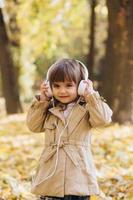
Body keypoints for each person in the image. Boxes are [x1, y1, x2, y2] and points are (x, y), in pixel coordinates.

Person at [26, 58, 113, 200]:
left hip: (78, 177)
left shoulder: (86, 108)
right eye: (57, 86)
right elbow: (33, 126)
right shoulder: (49, 109)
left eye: (69, 85)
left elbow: (103, 119)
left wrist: (91, 95)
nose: (62, 91)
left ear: (81, 86)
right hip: (50, 177)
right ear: (49, 87)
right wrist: (42, 101)